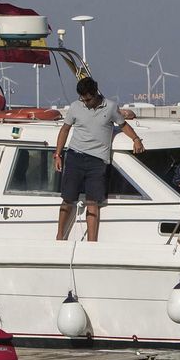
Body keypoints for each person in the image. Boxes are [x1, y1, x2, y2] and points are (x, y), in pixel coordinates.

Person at [55, 77, 145, 242]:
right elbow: (65, 130)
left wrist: (136, 139)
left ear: (95, 93)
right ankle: (59, 237)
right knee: (67, 199)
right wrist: (58, 154)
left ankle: (92, 242)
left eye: (88, 99)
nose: (85, 102)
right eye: (82, 99)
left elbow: (123, 125)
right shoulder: (75, 107)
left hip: (97, 161)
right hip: (75, 157)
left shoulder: (110, 107)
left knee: (92, 202)